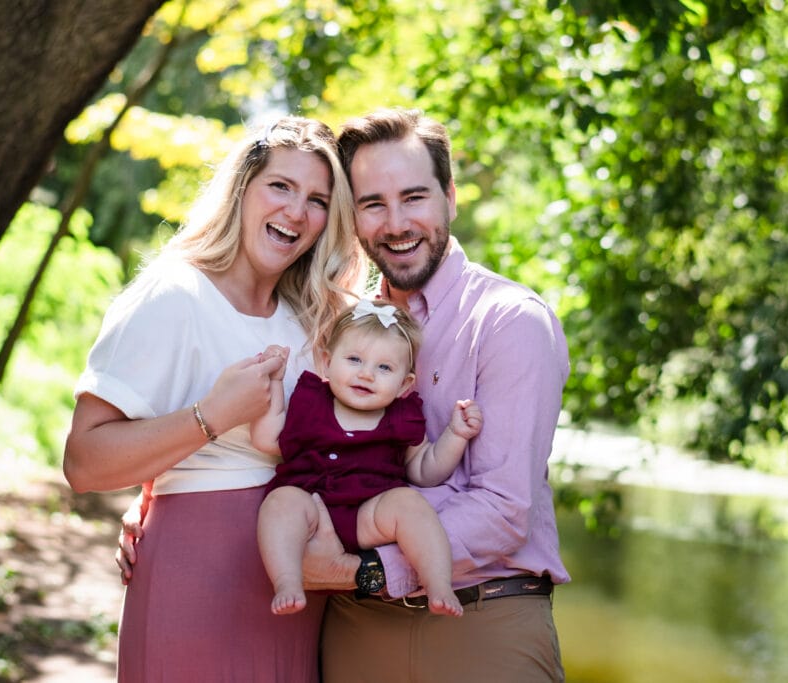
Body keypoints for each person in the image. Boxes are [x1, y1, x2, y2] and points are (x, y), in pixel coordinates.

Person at [119, 107, 571, 682]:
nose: (397, 222)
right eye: (372, 203)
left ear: (450, 197)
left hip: (480, 620)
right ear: (351, 217)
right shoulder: (336, 320)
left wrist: (362, 570)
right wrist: (157, 496)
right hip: (351, 628)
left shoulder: (510, 322)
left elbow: (505, 511)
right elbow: (282, 441)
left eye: (415, 197)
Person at [63, 115, 367, 682]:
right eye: (280, 186)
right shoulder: (174, 295)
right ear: (242, 189)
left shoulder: (313, 321)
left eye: (317, 199)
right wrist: (212, 418)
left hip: (295, 598)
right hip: (197, 582)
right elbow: (83, 462)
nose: (296, 213)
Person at [252, 299, 483, 617]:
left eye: (384, 367)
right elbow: (266, 439)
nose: (366, 374)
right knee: (280, 502)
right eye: (354, 359)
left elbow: (424, 471)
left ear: (404, 384)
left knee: (409, 503)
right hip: (310, 508)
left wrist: (455, 436)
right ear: (326, 361)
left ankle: (439, 583)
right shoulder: (310, 400)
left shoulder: (403, 418)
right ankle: (288, 580)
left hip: (368, 517)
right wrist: (275, 382)